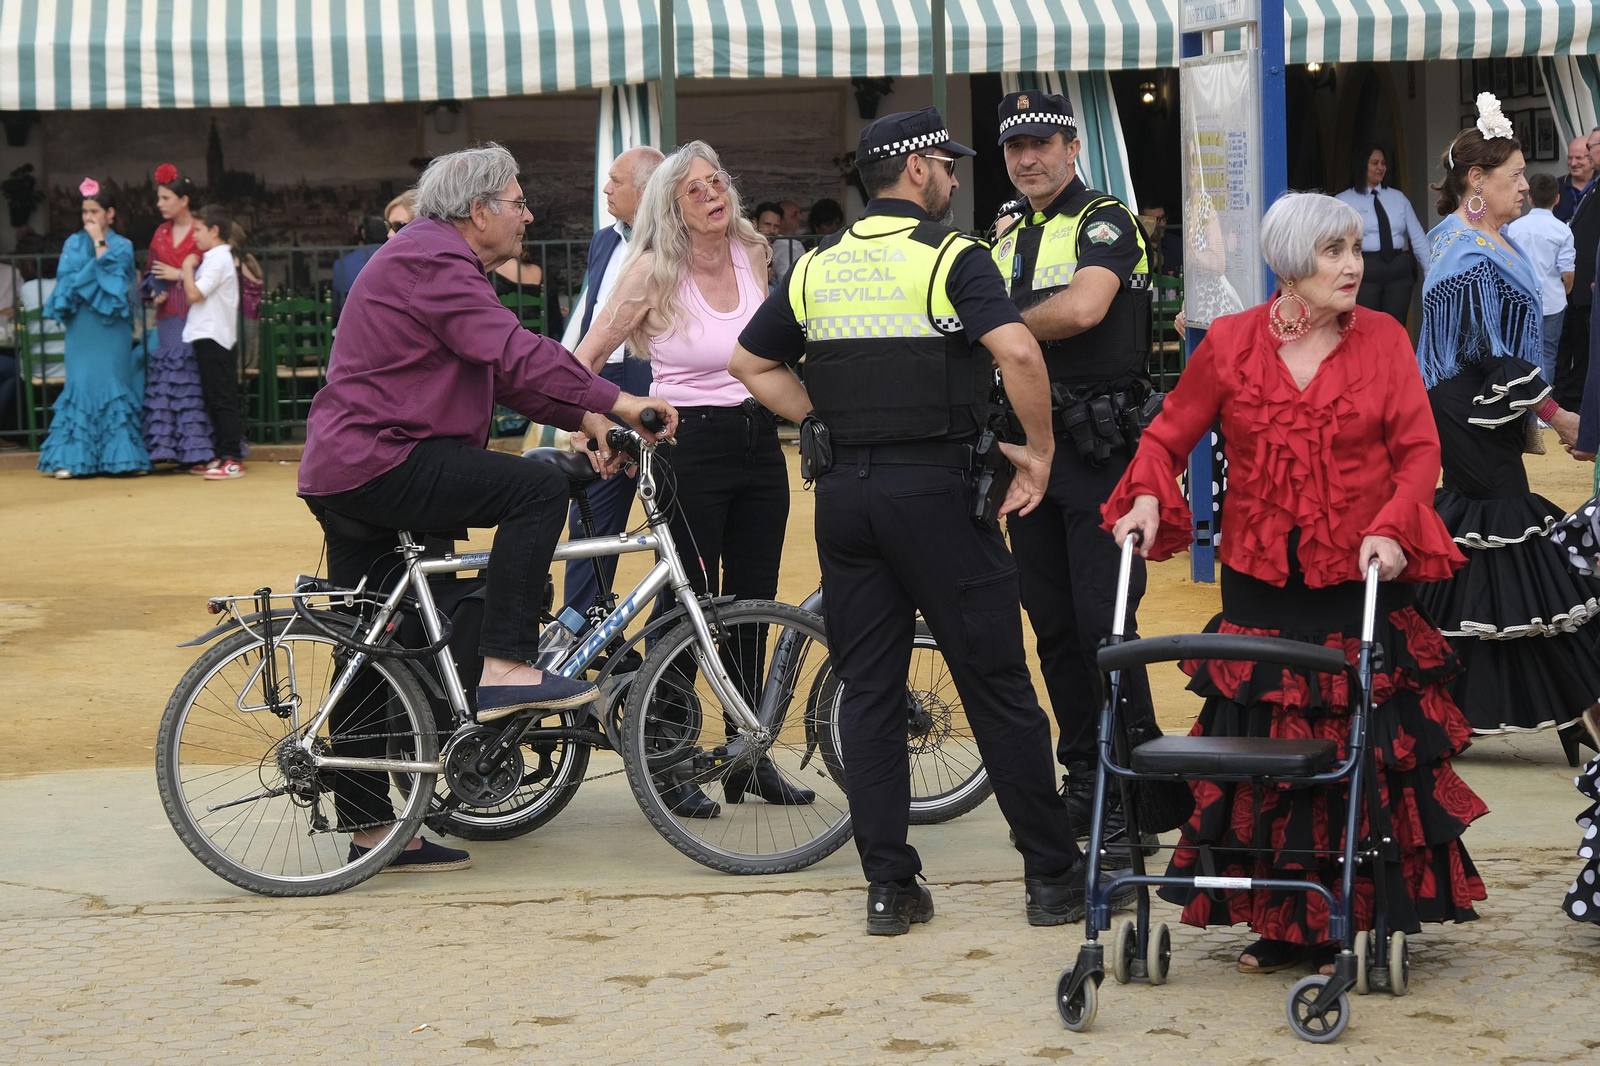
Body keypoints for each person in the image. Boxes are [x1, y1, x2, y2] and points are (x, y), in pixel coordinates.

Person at [731, 106, 1129, 935]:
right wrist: (1041, 454)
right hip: (938, 495)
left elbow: (749, 361)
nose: (953, 176)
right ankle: (1052, 879)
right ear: (917, 171)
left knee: (869, 693)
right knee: (996, 683)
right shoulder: (953, 255)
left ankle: (890, 888)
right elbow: (1019, 351)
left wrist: (820, 421)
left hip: (845, 503)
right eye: (946, 165)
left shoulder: (815, 265)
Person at [1105, 190, 1487, 976]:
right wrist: (1147, 492)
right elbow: (1169, 433)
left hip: (1362, 578)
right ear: (1288, 265)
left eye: (1355, 250)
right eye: (1333, 253)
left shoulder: (1382, 340)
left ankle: (1364, 909)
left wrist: (1392, 521)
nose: (1354, 266)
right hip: (1260, 589)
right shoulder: (1231, 345)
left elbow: (1419, 451)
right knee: (1266, 762)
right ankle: (1282, 920)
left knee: (1363, 757)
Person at [298, 143, 675, 872]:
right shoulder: (432, 261)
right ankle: (507, 666)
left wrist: (595, 421)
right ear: (478, 213)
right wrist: (620, 400)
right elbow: (512, 352)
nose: (529, 215)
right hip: (385, 459)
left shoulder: (434, 257)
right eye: (518, 201)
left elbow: (503, 375)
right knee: (534, 486)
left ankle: (378, 832)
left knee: (383, 646)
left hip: (356, 465)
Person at [573, 141, 801, 818]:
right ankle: (671, 761)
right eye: (694, 189)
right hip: (686, 445)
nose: (711, 194)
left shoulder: (753, 252)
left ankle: (748, 754)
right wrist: (597, 429)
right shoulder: (650, 269)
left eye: (716, 182)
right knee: (688, 607)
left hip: (761, 439)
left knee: (755, 601)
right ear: (670, 207)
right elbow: (584, 361)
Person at [987, 89, 1157, 845]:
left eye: (1042, 144)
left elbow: (1087, 308)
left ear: (1073, 146)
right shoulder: (1002, 231)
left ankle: (1137, 788)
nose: (1028, 159)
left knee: (1106, 624)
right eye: (1015, 147)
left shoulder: (1106, 219)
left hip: (1101, 454)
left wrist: (994, 322)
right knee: (1052, 625)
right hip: (1031, 456)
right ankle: (1086, 771)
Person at [1414, 98, 1600, 749]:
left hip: (1479, 410)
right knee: (1508, 535)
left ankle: (1449, 697)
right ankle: (1568, 698)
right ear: (1477, 182)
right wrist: (1561, 416)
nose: (1526, 184)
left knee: (1489, 548)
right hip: (1469, 410)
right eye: (1514, 174)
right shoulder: (1466, 251)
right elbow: (1490, 353)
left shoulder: (1479, 240)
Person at [559, 145, 664, 621]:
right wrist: (582, 406)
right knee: (591, 517)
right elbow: (592, 325)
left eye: (615, 181)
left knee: (671, 525)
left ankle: (671, 644)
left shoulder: (677, 244)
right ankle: (581, 633)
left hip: (659, 393)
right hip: (603, 385)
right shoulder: (604, 240)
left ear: (645, 190)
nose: (605, 189)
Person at [36, 178, 149, 478]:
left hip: (111, 329)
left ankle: (120, 460)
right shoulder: (71, 243)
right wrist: (92, 271)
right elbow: (67, 283)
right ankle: (73, 460)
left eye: (95, 211)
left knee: (114, 386)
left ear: (109, 214)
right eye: (85, 211)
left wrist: (100, 244)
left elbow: (116, 280)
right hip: (81, 327)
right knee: (81, 386)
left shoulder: (123, 245)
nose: (88, 218)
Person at [142, 165, 214, 469]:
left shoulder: (201, 230)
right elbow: (150, 273)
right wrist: (152, 291)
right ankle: (167, 451)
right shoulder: (160, 233)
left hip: (196, 313)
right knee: (169, 381)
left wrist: (179, 273)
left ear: (182, 200)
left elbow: (215, 272)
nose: (159, 203)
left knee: (192, 383)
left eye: (164, 197)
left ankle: (198, 452)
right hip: (168, 316)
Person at [180, 204, 245, 481]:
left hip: (215, 336)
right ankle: (222, 453)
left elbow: (194, 294)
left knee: (222, 399)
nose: (194, 235)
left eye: (198, 229)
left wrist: (185, 267)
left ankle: (231, 457)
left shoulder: (218, 259)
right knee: (215, 398)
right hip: (209, 335)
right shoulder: (215, 257)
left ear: (214, 231)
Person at [1334, 144, 1430, 322]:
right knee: (1365, 324)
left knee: (1395, 324)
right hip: (1365, 270)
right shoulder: (1343, 201)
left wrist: (1430, 271)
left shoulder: (1398, 198)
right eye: (1375, 163)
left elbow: (1417, 237)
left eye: (1383, 163)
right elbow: (1333, 241)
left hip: (1398, 270)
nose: (1380, 168)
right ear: (1362, 165)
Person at [1507, 172, 1577, 388]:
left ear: (1529, 198)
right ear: (1557, 199)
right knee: (1548, 354)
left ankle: (1522, 404)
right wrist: (1564, 291)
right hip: (1552, 302)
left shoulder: (1514, 228)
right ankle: (1543, 411)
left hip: (1521, 299)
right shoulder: (1563, 230)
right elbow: (1567, 272)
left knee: (1522, 352)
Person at [1554, 127, 1600, 411]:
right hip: (1557, 282)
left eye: (1581, 156)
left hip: (1587, 282)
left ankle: (1575, 398)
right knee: (1560, 340)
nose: (1574, 163)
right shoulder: (1556, 188)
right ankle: (1559, 394)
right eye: (1570, 158)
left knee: (1585, 344)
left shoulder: (1597, 185)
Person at [491, 245, 566, 340]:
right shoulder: (542, 272)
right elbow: (553, 316)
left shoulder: (489, 273)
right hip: (537, 339)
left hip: (503, 338)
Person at [331, 215, 387, 317]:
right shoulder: (401, 257)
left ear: (363, 233)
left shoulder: (341, 264)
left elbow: (337, 304)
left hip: (353, 320)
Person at [230, 222, 264, 370]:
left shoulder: (235, 261)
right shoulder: (247, 258)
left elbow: (251, 282)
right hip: (249, 312)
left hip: (241, 313)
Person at [1555, 136, 1595, 223]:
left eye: (1578, 158)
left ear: (1591, 158)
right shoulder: (1555, 186)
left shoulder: (1597, 184)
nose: (1572, 163)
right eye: (1570, 158)